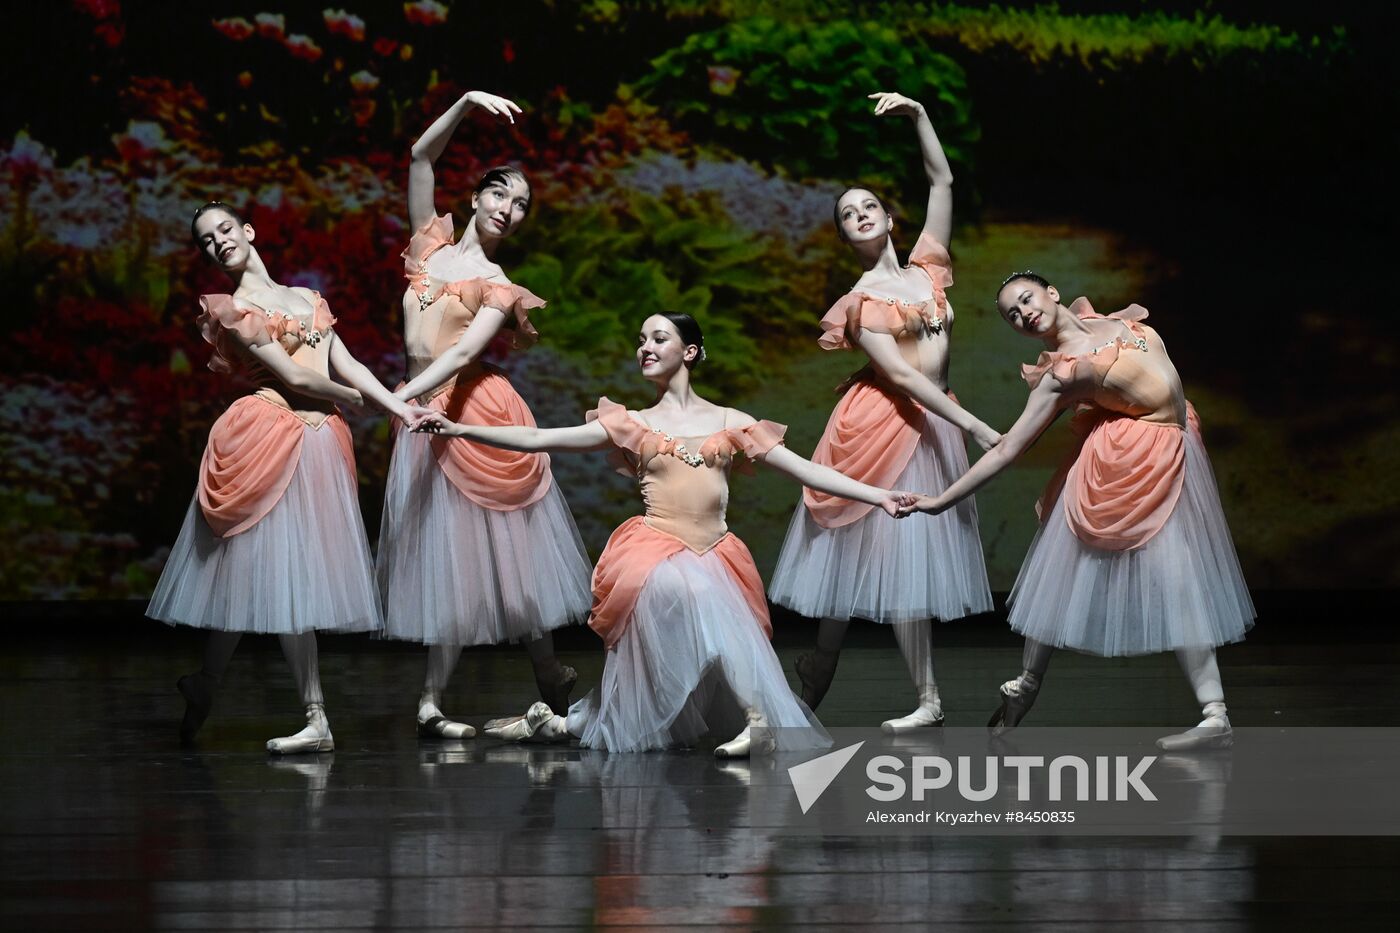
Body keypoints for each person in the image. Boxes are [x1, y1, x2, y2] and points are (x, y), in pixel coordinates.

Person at [413, 313, 909, 757]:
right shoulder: (632, 423)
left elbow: (805, 470)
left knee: (710, 595)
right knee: (700, 594)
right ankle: (757, 720)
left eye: (658, 338)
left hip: (715, 548)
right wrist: (460, 430)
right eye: (640, 339)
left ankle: (567, 723)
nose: (644, 347)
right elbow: (543, 438)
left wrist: (877, 495)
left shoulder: (731, 422)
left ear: (689, 352)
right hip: (654, 552)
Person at [901, 272, 1255, 750]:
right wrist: (942, 500)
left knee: (1180, 579)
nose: (1024, 314)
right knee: (1066, 572)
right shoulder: (1059, 376)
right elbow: (1009, 450)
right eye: (1013, 316)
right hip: (1124, 462)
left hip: (1166, 447)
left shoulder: (1117, 324)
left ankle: (1215, 714)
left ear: (1052, 292)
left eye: (1026, 300)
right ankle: (1027, 683)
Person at [150, 201, 431, 753]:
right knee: (261, 571)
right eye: (207, 240)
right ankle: (306, 714)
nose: (219, 242)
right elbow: (293, 372)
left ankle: (218, 688)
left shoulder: (305, 299)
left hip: (318, 440)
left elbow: (344, 362)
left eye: (225, 229)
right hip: (267, 433)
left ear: (249, 231)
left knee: (279, 572)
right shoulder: (231, 308)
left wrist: (397, 407)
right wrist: (360, 401)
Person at [769, 92, 999, 732]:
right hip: (882, 422)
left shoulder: (929, 268)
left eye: (870, 206)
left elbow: (942, 178)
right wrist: (973, 424)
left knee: (908, 558)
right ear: (844, 235)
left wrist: (920, 115)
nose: (862, 215)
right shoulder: (860, 300)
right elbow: (898, 374)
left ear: (890, 218)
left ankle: (913, 693)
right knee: (857, 546)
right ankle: (835, 666)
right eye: (849, 214)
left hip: (931, 423)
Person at [377, 91, 593, 739]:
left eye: (522, 204)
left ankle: (545, 667)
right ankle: (436, 699)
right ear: (475, 198)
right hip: (421, 410)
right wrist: (467, 101)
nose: (510, 209)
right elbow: (420, 155)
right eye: (501, 194)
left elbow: (467, 349)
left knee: (505, 554)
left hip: (468, 409)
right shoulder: (427, 247)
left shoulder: (500, 285)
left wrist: (406, 397)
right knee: (446, 556)